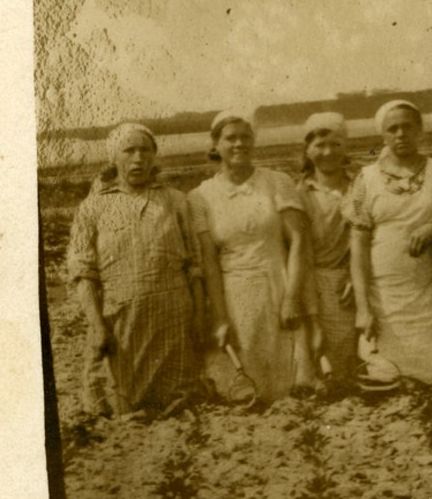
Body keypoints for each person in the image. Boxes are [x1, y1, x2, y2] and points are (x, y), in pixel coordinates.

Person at [66, 122, 202, 417]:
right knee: (117, 404)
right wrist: (97, 324)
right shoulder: (92, 208)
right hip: (121, 321)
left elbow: (195, 264)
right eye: (129, 151)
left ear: (155, 156)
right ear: (113, 158)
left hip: (173, 322)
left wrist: (200, 313)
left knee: (176, 400)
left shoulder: (175, 201)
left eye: (145, 150)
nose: (138, 158)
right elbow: (82, 272)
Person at [189, 109, 318, 403]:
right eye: (230, 138)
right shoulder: (200, 196)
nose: (239, 144)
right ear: (215, 145)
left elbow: (298, 240)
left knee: (288, 384)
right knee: (245, 383)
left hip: (277, 284)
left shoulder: (276, 181)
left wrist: (291, 297)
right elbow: (209, 262)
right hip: (234, 294)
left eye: (245, 137)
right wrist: (219, 316)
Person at [342, 100, 432, 387]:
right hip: (383, 293)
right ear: (383, 135)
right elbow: (358, 248)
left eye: (407, 127)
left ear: (420, 131)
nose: (401, 134)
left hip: (427, 291)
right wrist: (363, 307)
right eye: (393, 129)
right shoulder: (365, 179)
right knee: (384, 377)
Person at [297, 112, 358, 386]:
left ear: (345, 147)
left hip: (357, 279)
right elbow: (302, 256)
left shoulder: (360, 186)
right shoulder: (299, 194)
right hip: (317, 285)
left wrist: (357, 278)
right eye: (319, 146)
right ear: (307, 151)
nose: (327, 152)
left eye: (335, 144)